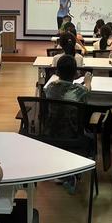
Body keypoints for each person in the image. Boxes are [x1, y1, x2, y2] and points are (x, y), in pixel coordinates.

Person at [44, 55, 91, 194]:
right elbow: (87, 91)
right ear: (76, 73)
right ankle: (75, 169)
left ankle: (64, 169)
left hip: (50, 134)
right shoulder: (80, 90)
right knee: (91, 139)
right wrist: (87, 81)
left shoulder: (50, 88)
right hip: (72, 135)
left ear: (57, 72)